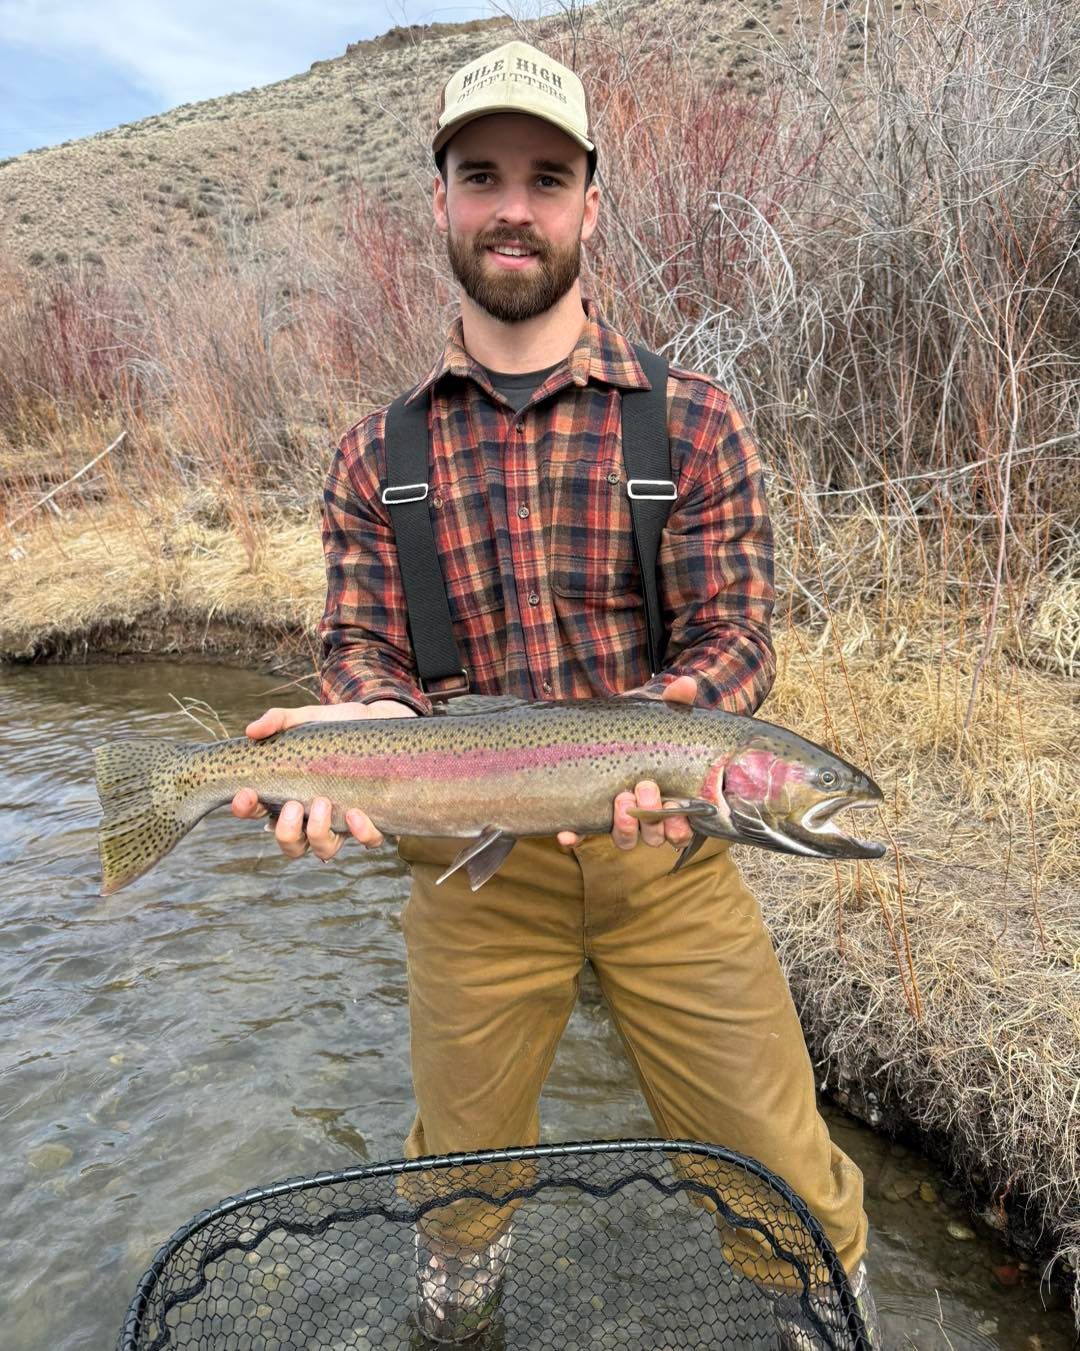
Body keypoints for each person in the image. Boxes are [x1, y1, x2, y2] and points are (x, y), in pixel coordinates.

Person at [232, 38, 880, 1347]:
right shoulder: (376, 455)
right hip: (470, 875)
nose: (513, 207)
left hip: (672, 869)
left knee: (778, 1165)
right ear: (443, 204)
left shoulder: (693, 422)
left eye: (545, 177)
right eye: (483, 176)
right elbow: (365, 651)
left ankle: (827, 1315)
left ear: (590, 202)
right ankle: (462, 1309)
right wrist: (355, 725)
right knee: (459, 1182)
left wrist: (677, 738)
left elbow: (735, 635)